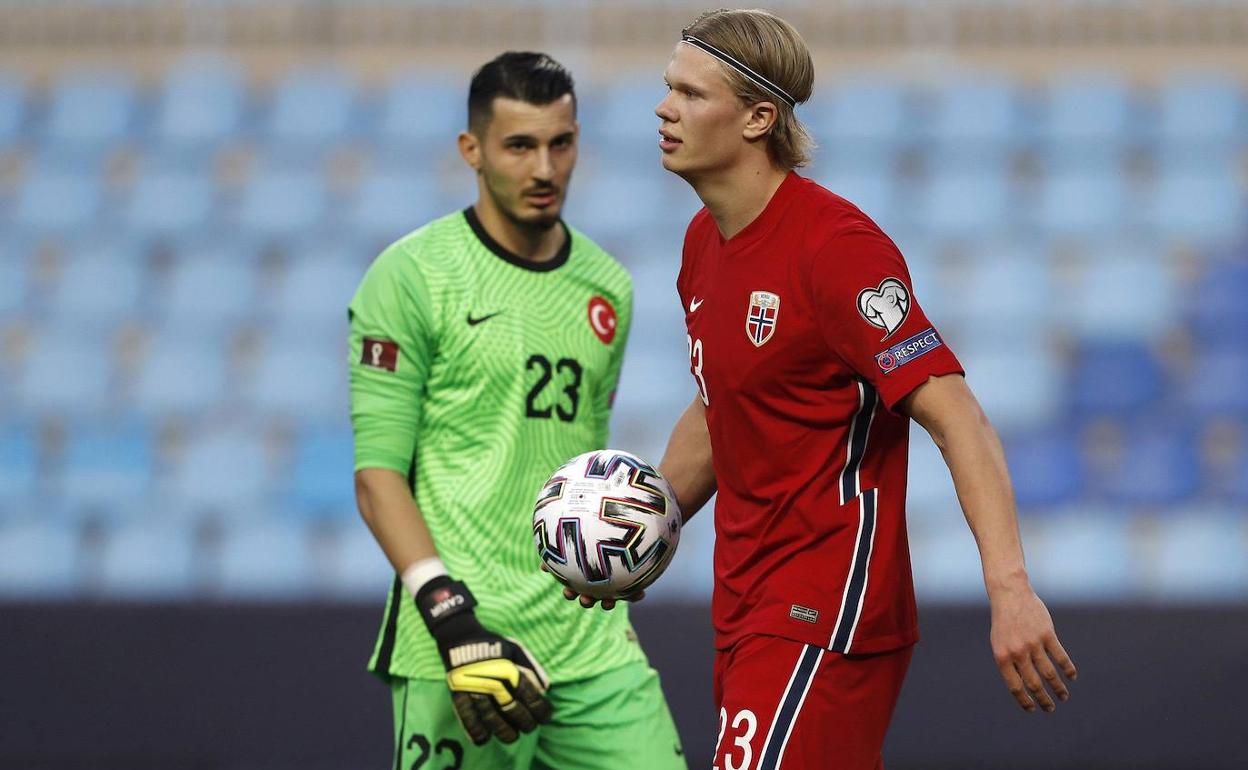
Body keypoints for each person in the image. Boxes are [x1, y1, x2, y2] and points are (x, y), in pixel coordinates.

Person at [590, 9, 1077, 768]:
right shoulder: (701, 244)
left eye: (689, 93)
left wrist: (1011, 588)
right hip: (749, 605)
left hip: (828, 603)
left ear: (758, 117)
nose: (664, 107)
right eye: (667, 89)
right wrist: (641, 528)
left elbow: (958, 416)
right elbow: (725, 401)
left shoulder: (837, 250)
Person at [349, 51, 685, 770]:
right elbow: (378, 479)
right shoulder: (411, 277)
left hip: (590, 644)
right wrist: (448, 616)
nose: (544, 168)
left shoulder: (607, 288)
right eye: (519, 146)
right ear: (472, 150)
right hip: (463, 644)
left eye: (561, 144)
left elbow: (581, 457)